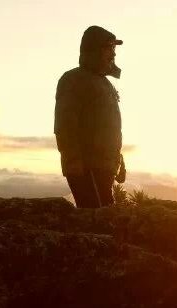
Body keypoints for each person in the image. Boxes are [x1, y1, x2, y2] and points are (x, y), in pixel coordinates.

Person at [54, 25, 126, 208]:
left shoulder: (105, 84)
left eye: (114, 48)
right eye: (109, 48)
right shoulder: (73, 79)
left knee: (107, 223)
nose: (113, 54)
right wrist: (74, 163)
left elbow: (109, 128)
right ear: (94, 50)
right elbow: (65, 125)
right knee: (96, 223)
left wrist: (118, 160)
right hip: (86, 169)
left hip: (105, 168)